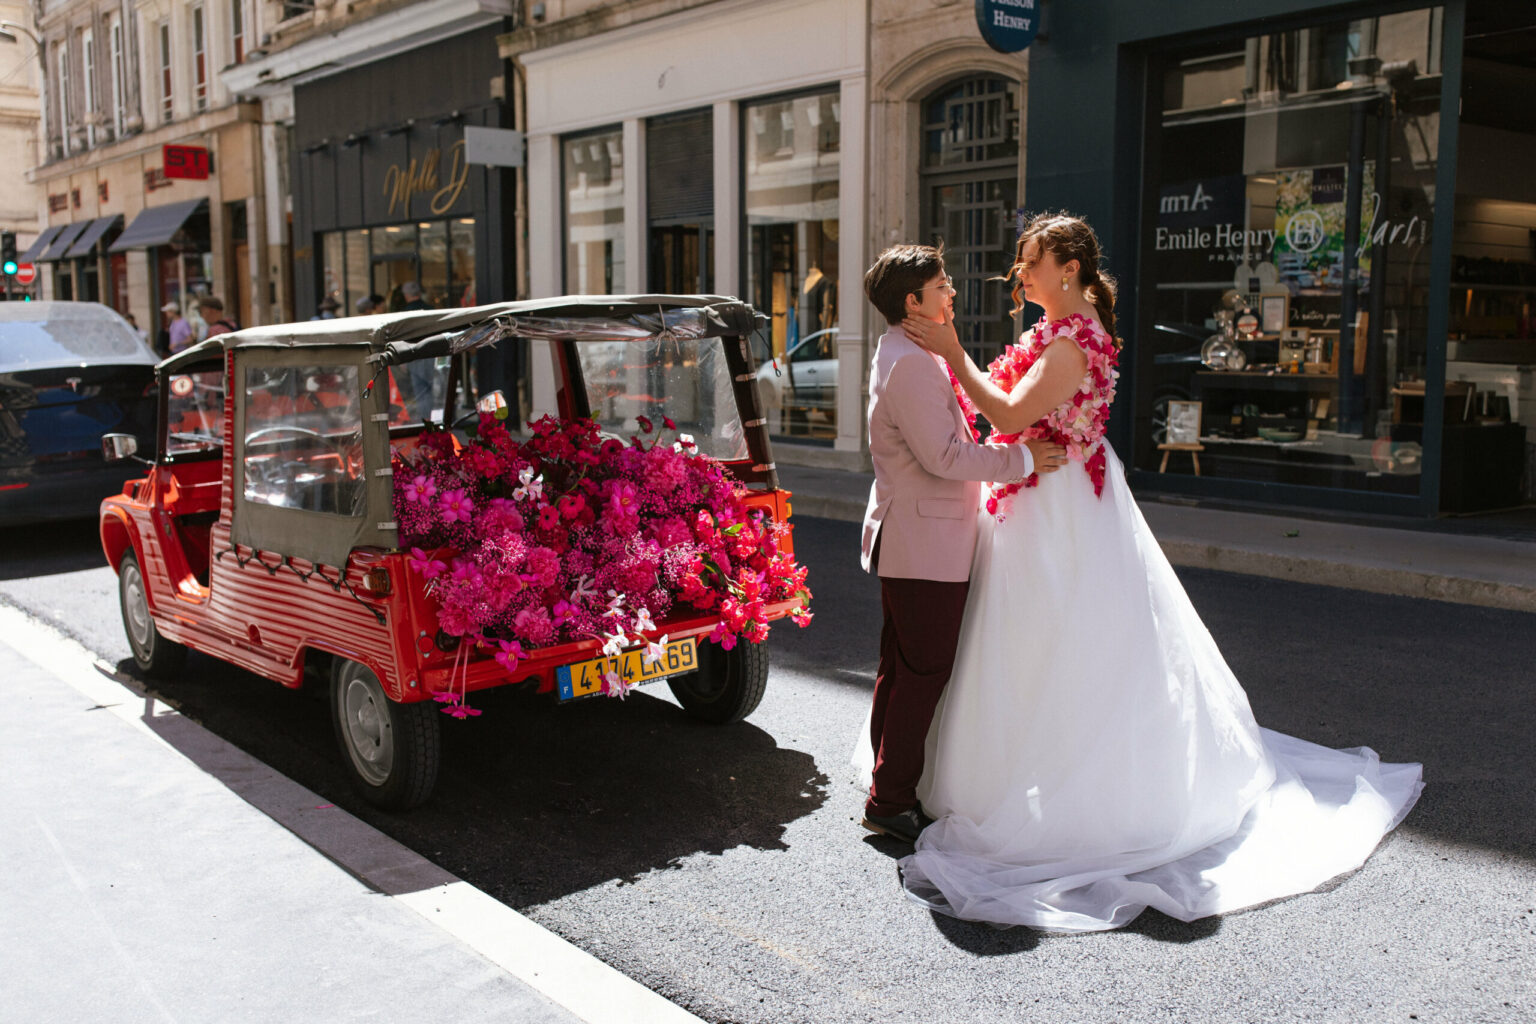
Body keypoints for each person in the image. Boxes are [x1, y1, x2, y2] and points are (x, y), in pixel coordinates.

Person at [871, 212, 1423, 932]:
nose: (1020, 273)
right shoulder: (1056, 330)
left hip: (1061, 501)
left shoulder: (1072, 341)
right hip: (1035, 493)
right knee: (1012, 641)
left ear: (1069, 268)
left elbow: (1006, 416)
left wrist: (951, 351)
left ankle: (1058, 784)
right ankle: (950, 776)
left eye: (1032, 262)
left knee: (1069, 641)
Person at [856, 243, 1068, 845]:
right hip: (924, 542)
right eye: (941, 285)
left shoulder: (906, 350)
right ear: (912, 302)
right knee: (923, 671)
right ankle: (891, 801)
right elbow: (944, 457)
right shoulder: (910, 362)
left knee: (903, 666)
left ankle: (887, 786)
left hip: (916, 536)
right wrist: (1023, 459)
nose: (951, 292)